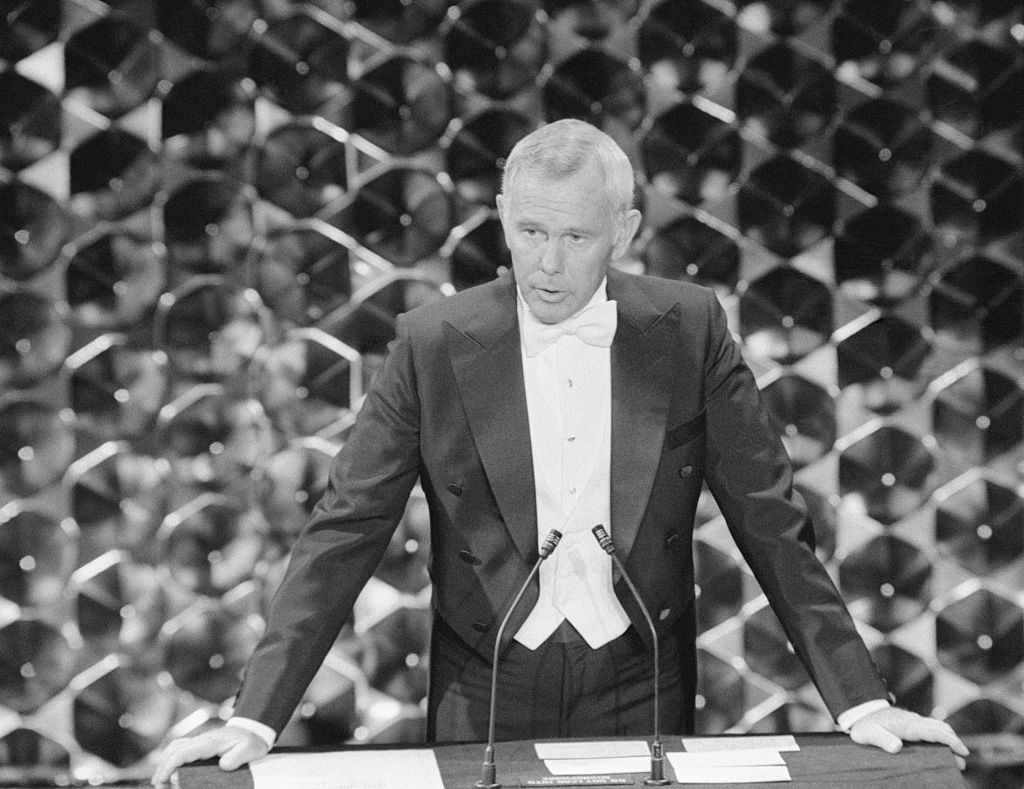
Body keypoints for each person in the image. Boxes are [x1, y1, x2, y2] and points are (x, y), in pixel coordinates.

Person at [152, 118, 967, 785]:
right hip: (487, 680)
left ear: (625, 229)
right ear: (503, 212)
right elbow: (346, 528)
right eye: (529, 229)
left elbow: (770, 520)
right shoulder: (432, 341)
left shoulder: (688, 328)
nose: (546, 263)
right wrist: (254, 716)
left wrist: (861, 703)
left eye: (575, 236)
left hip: (641, 680)